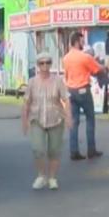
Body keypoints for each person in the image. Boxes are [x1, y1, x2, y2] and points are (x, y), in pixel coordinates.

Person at [21, 51, 71, 190]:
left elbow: (66, 99)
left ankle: (52, 178)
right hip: (36, 119)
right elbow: (26, 102)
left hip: (56, 118)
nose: (45, 66)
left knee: (54, 150)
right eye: (42, 63)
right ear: (37, 65)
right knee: (37, 149)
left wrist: (69, 118)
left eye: (48, 62)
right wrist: (24, 121)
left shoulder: (58, 80)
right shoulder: (32, 82)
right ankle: (41, 175)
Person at [62, 31, 103, 160]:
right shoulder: (85, 57)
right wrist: (100, 64)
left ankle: (74, 150)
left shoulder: (66, 58)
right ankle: (91, 149)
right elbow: (97, 69)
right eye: (82, 41)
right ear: (77, 42)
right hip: (83, 89)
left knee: (74, 121)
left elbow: (66, 75)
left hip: (71, 90)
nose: (83, 44)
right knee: (90, 119)